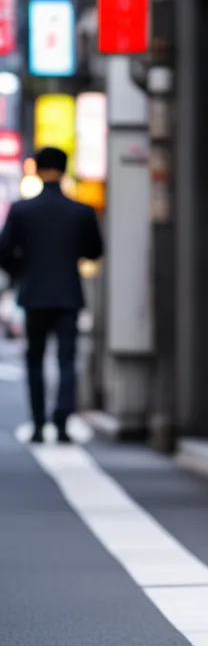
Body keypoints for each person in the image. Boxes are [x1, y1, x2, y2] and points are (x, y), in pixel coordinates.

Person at [0, 147, 104, 444]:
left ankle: (36, 423)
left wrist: (22, 270)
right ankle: (62, 422)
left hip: (33, 293)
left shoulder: (21, 211)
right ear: (64, 169)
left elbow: (3, 251)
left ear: (36, 169)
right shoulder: (81, 211)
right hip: (68, 293)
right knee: (66, 359)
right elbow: (94, 251)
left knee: (34, 359)